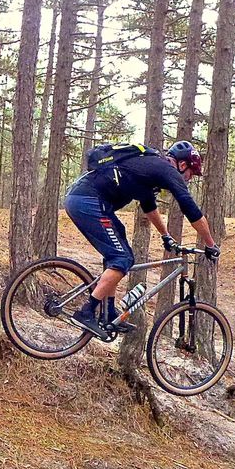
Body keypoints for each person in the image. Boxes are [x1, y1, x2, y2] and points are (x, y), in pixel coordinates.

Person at [63, 140, 220, 336]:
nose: (189, 178)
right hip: (87, 201)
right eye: (191, 172)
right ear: (182, 165)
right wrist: (211, 245)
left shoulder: (149, 168)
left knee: (119, 253)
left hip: (85, 199)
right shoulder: (166, 170)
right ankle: (86, 312)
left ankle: (109, 312)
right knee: (122, 259)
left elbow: (149, 208)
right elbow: (190, 209)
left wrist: (166, 236)